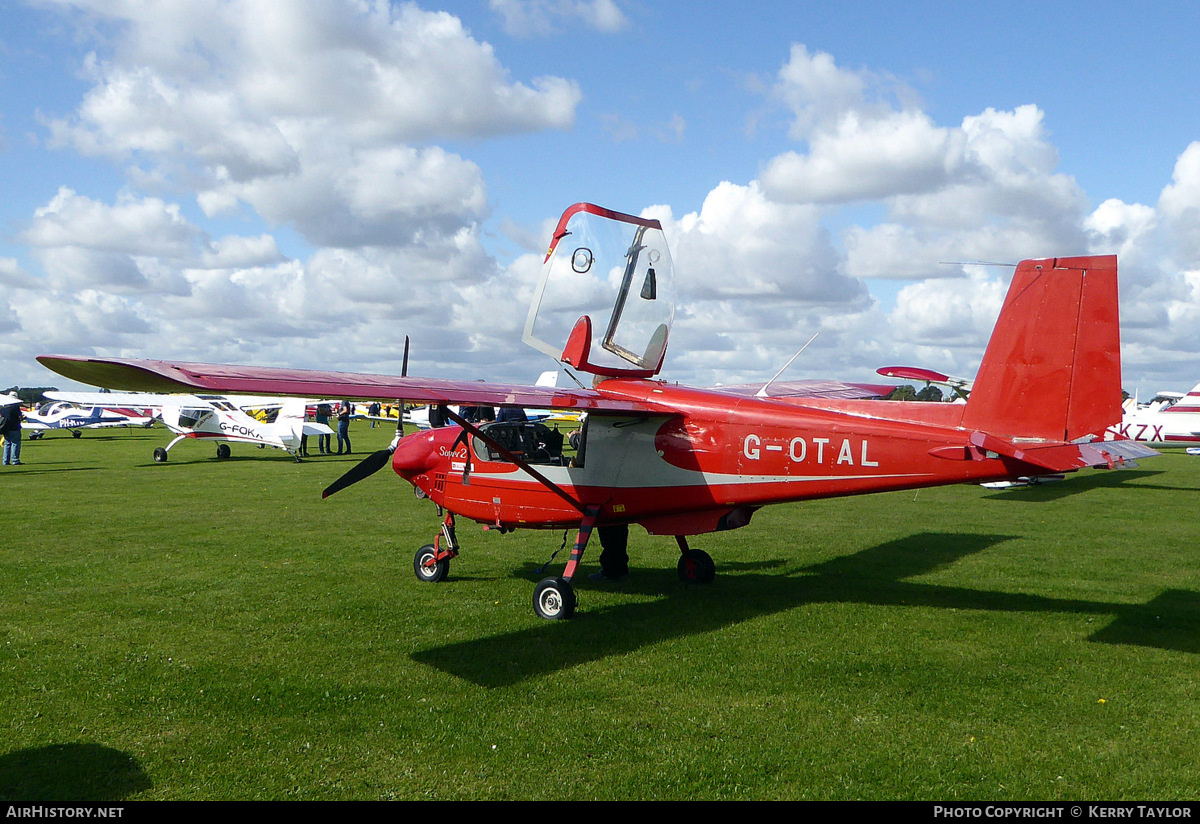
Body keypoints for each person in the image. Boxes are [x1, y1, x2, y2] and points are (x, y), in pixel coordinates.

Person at [1, 399, 24, 466]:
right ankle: (15, 460)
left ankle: (5, 461)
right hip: (14, 427)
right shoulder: (15, 407)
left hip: (5, 427)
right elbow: (20, 416)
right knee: (15, 443)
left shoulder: (3, 407)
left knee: (7, 444)